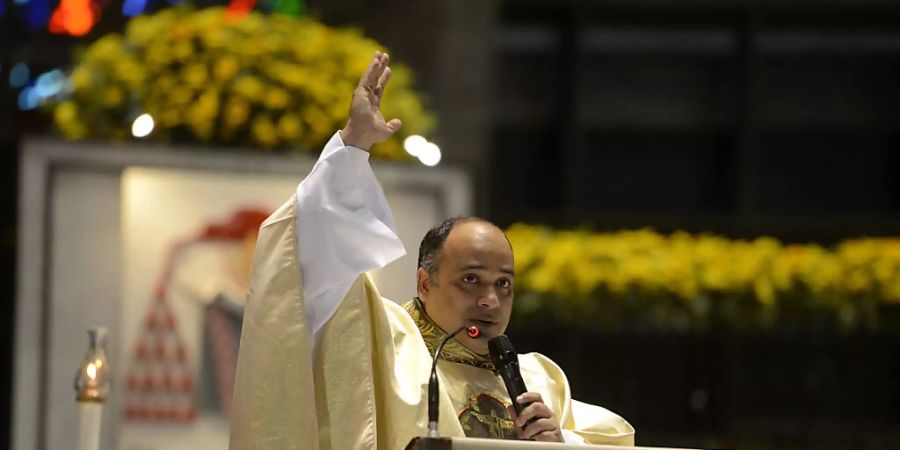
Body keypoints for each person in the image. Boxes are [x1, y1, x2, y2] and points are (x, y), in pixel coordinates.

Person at [229, 51, 634, 449]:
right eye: (471, 279)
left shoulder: (539, 381)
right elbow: (310, 261)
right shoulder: (385, 345)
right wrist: (354, 146)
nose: (490, 300)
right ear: (425, 282)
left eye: (504, 284)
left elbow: (616, 440)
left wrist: (562, 443)